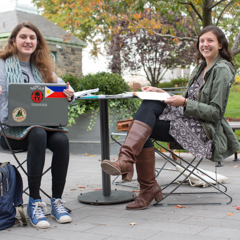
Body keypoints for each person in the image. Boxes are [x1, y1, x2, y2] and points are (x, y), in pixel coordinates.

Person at [101, 25, 240, 210]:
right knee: (149, 109)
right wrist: (161, 92)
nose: (205, 44)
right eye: (202, 41)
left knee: (145, 121)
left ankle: (134, 171)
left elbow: (215, 112)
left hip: (204, 133)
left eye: (210, 41)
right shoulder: (201, 67)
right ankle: (135, 172)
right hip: (187, 122)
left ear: (221, 44)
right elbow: (189, 99)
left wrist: (183, 103)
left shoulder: (221, 70)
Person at [0, 22, 75, 228]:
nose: (28, 41)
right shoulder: (2, 64)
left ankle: (57, 201)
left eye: (32, 38)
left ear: (37, 42)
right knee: (38, 133)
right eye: (23, 37)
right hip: (9, 131)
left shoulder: (43, 68)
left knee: (61, 139)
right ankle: (35, 202)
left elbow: (64, 89)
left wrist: (69, 94)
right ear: (14, 41)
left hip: (39, 127)